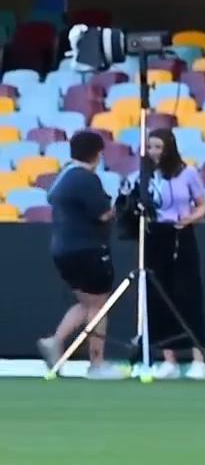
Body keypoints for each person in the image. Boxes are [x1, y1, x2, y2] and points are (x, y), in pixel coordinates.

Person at [36, 130, 124, 379]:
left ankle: (55, 341)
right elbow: (104, 214)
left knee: (88, 302)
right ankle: (97, 363)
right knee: (99, 305)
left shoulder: (64, 175)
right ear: (97, 154)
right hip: (87, 249)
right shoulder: (86, 178)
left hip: (63, 250)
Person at [142, 128, 205, 380]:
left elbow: (202, 205)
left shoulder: (188, 172)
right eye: (150, 147)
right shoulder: (147, 174)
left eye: (158, 147)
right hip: (156, 236)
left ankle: (198, 359)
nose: (153, 152)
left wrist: (189, 218)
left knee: (188, 294)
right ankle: (168, 358)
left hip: (181, 236)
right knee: (160, 296)